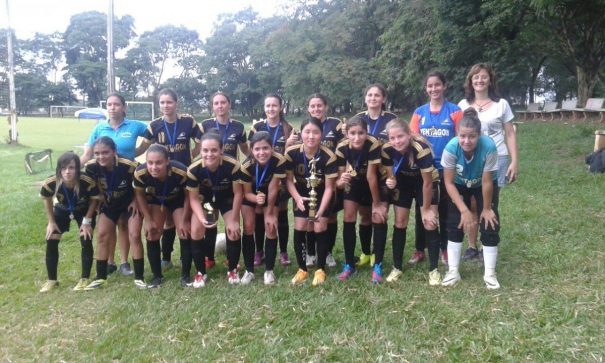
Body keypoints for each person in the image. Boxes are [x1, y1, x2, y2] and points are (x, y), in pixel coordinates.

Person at [80, 93, 147, 276]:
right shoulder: (100, 128)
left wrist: (140, 150)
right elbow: (88, 154)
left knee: (124, 224)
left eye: (116, 104)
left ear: (124, 107)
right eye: (109, 104)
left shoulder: (134, 126)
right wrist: (70, 169)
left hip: (126, 181)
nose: (112, 107)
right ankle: (109, 261)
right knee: (107, 227)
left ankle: (125, 262)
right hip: (107, 184)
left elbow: (152, 135)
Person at [458, 63, 517, 262]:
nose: (480, 80)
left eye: (483, 77)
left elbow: (509, 133)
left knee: (490, 202)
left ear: (490, 80)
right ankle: (472, 246)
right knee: (472, 203)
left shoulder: (502, 104)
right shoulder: (463, 106)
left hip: (497, 158)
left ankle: (487, 245)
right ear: (470, 81)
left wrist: (514, 161)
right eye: (476, 77)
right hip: (470, 160)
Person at [139, 88, 203, 271]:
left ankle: (185, 256)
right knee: (167, 220)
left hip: (183, 175)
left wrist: (192, 155)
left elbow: (200, 140)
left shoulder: (188, 122)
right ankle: (166, 257)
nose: (166, 106)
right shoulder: (154, 125)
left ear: (176, 103)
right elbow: (144, 147)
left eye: (169, 102)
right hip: (161, 175)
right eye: (162, 102)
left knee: (185, 216)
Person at [441, 108, 501, 289]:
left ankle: (490, 273)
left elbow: (487, 181)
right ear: (457, 134)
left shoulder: (489, 146)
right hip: (458, 185)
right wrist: (464, 210)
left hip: (483, 184)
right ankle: (453, 271)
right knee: (454, 223)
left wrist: (487, 208)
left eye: (472, 137)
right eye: (463, 136)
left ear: (479, 135)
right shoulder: (451, 148)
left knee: (490, 223)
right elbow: (449, 183)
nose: (466, 141)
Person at [410, 71, 463, 266]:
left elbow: (460, 138)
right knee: (422, 208)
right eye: (430, 86)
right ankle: (419, 249)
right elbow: (413, 138)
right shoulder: (419, 113)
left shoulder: (455, 111)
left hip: (447, 168)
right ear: (426, 89)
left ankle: (445, 248)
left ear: (444, 86)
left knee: (446, 209)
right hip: (424, 169)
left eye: (437, 85)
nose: (434, 89)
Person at [382, 119, 443, 285]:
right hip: (404, 183)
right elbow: (391, 174)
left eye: (400, 136)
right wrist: (391, 181)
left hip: (425, 183)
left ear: (409, 134)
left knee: (429, 222)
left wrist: (425, 209)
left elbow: (427, 183)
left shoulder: (420, 149)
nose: (396, 141)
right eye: (392, 138)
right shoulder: (387, 149)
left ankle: (433, 270)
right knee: (400, 222)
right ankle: (397, 267)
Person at [83, 137, 146, 289]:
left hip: (130, 203)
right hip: (110, 203)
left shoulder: (129, 165)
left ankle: (139, 277)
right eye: (97, 153)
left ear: (114, 152)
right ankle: (101, 277)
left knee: (135, 234)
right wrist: (100, 197)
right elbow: (91, 186)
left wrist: (135, 200)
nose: (101, 157)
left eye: (105, 152)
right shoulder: (91, 167)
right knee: (102, 235)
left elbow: (141, 184)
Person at [284, 118, 338, 286]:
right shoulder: (292, 152)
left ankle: (320, 269)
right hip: (300, 193)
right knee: (300, 226)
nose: (311, 136)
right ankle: (302, 269)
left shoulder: (329, 155)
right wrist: (297, 198)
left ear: (321, 134)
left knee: (320, 226)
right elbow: (288, 180)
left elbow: (330, 187)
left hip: (322, 194)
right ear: (301, 133)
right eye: (307, 132)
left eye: (315, 132)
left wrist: (321, 210)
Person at [199, 91, 248, 269]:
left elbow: (246, 151)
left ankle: (231, 258)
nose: (220, 106)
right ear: (212, 106)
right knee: (210, 221)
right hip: (209, 182)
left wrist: (251, 169)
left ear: (229, 104)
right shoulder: (204, 125)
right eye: (216, 103)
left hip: (229, 180)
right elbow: (199, 150)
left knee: (232, 221)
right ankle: (209, 257)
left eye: (223, 102)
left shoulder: (238, 127)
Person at [248, 94, 297, 268]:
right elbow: (252, 152)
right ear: (264, 108)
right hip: (260, 177)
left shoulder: (288, 128)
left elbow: (289, 156)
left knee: (280, 213)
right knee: (259, 212)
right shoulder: (257, 127)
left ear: (281, 107)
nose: (271, 109)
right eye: (268, 106)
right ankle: (259, 251)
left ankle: (283, 251)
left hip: (279, 177)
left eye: (274, 106)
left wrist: (289, 145)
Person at [187, 132, 243, 286]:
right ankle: (200, 273)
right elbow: (193, 198)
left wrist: (234, 219)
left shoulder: (233, 165)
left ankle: (232, 270)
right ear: (200, 151)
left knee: (233, 230)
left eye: (214, 150)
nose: (209, 154)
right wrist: (201, 217)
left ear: (221, 150)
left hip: (227, 199)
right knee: (197, 230)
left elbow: (238, 193)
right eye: (205, 150)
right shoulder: (193, 169)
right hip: (206, 201)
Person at [39, 152, 100, 292]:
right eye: (64, 168)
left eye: (71, 167)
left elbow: (95, 199)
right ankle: (52, 280)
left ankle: (84, 278)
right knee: (51, 238)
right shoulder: (51, 182)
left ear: (78, 168)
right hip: (62, 209)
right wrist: (51, 222)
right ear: (59, 169)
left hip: (84, 210)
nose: (67, 171)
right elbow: (46, 199)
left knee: (86, 238)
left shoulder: (87, 180)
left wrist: (87, 221)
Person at [133, 144, 191, 288]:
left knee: (184, 232)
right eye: (150, 163)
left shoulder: (181, 171)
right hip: (156, 200)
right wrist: (148, 219)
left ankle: (185, 275)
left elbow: (189, 196)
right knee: (152, 234)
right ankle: (157, 276)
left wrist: (184, 220)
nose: (153, 167)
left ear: (167, 161)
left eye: (158, 162)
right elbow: (139, 195)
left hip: (178, 200)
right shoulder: (140, 173)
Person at [334, 116, 383, 281]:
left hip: (372, 182)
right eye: (352, 133)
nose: (357, 137)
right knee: (348, 217)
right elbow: (340, 180)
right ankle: (349, 264)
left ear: (366, 132)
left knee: (371, 216)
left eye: (360, 133)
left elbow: (371, 176)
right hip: (354, 182)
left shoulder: (373, 143)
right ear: (347, 133)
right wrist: (341, 181)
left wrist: (377, 203)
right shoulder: (341, 147)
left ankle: (374, 259)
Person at [354, 84, 398, 267]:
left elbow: (399, 142)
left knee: (379, 213)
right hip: (363, 174)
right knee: (364, 215)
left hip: (383, 174)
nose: (373, 98)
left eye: (377, 95)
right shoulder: (357, 119)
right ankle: (365, 253)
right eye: (369, 95)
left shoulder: (391, 119)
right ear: (365, 98)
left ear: (383, 99)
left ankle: (376, 254)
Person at [240, 131, 287, 285]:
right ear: (251, 150)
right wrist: (255, 198)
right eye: (257, 149)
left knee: (271, 226)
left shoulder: (279, 160)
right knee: (248, 226)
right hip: (251, 196)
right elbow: (246, 193)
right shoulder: (246, 165)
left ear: (272, 148)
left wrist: (270, 213)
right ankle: (249, 270)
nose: (262, 152)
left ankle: (269, 270)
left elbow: (274, 189)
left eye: (266, 148)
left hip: (270, 196)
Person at [306, 93, 344, 268]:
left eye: (319, 105)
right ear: (308, 109)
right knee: (309, 217)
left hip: (332, 176)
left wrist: (343, 173)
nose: (316, 109)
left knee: (330, 216)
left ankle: (327, 251)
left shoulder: (336, 124)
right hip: (311, 179)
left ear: (325, 106)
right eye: (313, 106)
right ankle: (310, 251)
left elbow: (345, 148)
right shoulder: (306, 126)